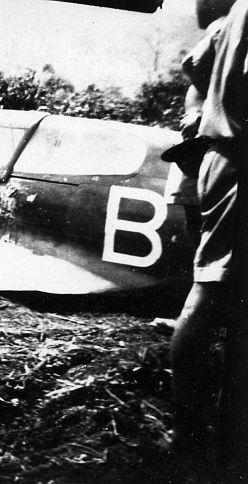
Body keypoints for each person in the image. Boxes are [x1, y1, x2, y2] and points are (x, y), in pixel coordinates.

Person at [170, 0, 248, 480]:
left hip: (228, 155)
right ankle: (191, 446)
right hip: (241, 161)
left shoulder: (239, 7)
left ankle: (227, 442)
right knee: (212, 294)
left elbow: (198, 65)